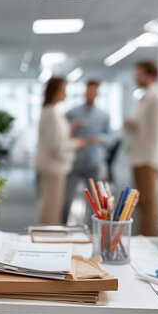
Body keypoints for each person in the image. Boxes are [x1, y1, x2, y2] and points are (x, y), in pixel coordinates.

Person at [124, 61, 158, 236]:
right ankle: (144, 236)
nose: (136, 77)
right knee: (141, 202)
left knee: (148, 202)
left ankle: (149, 239)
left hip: (148, 157)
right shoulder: (145, 97)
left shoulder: (156, 98)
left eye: (139, 74)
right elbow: (144, 126)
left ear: (151, 75)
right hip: (139, 155)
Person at [36, 77, 86, 224]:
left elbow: (55, 137)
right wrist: (77, 143)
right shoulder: (51, 113)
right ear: (55, 92)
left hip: (52, 167)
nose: (65, 94)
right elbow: (56, 146)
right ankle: (48, 240)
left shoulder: (50, 112)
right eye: (63, 90)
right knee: (52, 209)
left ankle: (49, 239)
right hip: (54, 167)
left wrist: (69, 129)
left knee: (51, 206)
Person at [63, 80, 111, 225]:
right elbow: (62, 134)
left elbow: (110, 138)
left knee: (95, 203)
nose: (90, 94)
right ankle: (63, 227)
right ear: (85, 92)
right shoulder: (72, 113)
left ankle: (92, 231)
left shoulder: (104, 115)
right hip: (74, 162)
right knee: (66, 199)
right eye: (88, 91)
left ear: (97, 93)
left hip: (93, 162)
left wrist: (100, 139)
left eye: (93, 92)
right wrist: (72, 127)